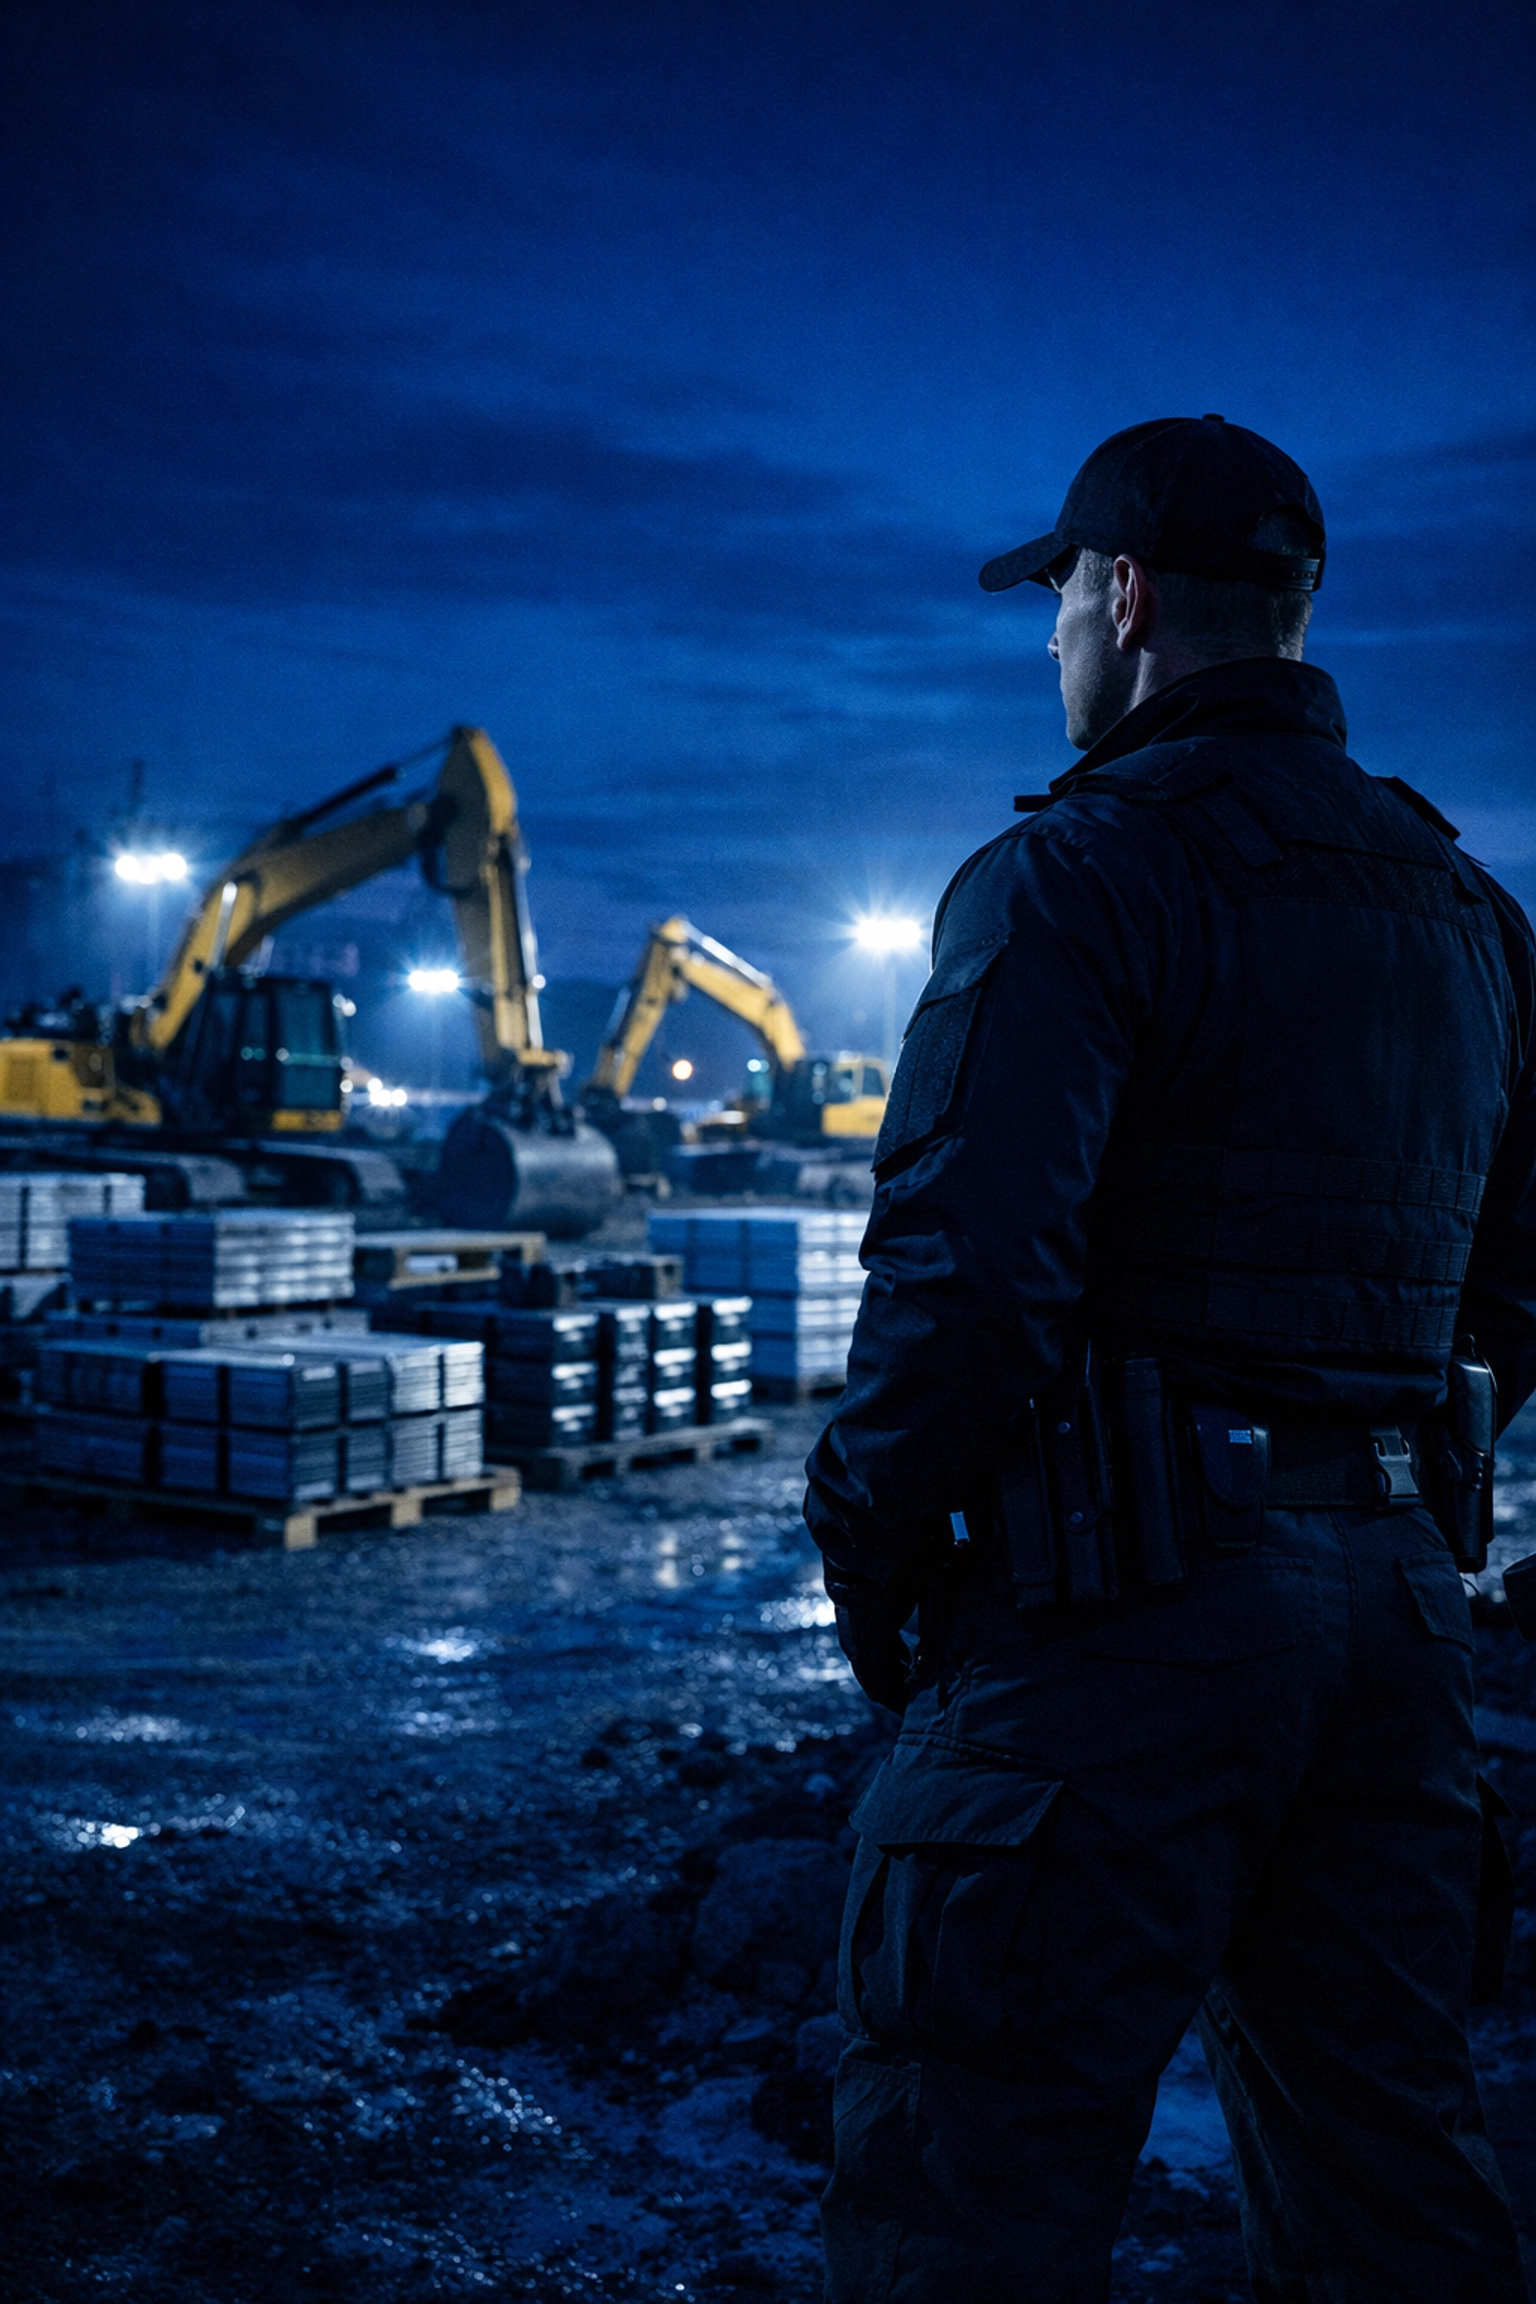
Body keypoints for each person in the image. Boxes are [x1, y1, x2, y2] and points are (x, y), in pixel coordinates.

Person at [804, 414, 1536, 2301]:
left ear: (1121, 598)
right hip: (1396, 1634)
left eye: (1055, 600)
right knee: (1391, 2186)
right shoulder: (1467, 914)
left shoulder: (1074, 878)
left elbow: (971, 1280)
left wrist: (875, 1552)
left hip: (1118, 1629)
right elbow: (1518, 1285)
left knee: (969, 2192)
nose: (1050, 643)